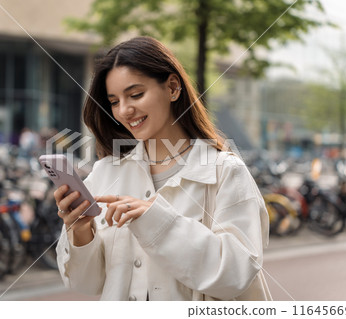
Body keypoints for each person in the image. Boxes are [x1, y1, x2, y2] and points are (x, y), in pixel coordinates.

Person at [54, 36, 271, 301]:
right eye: (113, 101)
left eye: (135, 94)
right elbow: (87, 283)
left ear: (172, 88)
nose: (124, 110)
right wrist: (80, 230)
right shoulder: (105, 173)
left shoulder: (224, 171)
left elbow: (236, 275)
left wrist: (155, 220)